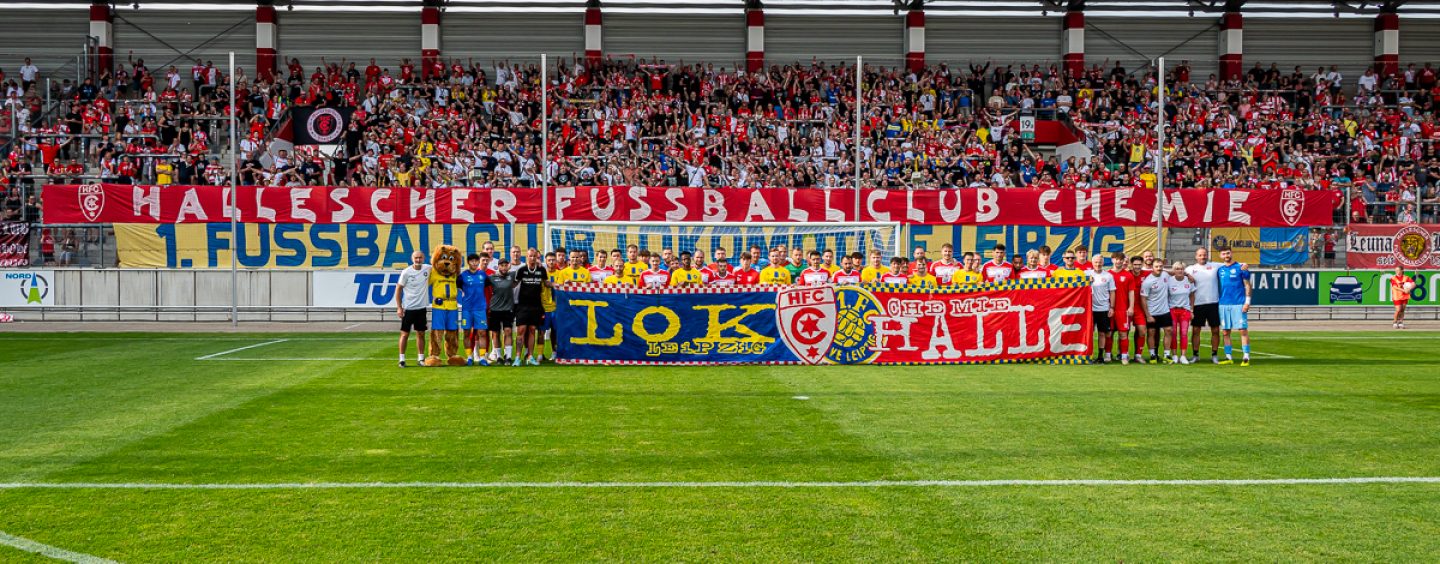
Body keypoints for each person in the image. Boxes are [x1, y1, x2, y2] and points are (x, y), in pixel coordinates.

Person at [513, 248, 550, 366]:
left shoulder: (541, 270)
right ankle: (517, 357)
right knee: (521, 330)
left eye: (535, 256)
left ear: (537, 257)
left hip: (536, 306)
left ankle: (530, 356)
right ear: (527, 257)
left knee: (532, 330)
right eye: (530, 256)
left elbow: (546, 283)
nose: (532, 258)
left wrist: (558, 285)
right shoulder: (522, 270)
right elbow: (514, 284)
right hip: (522, 305)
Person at [1216, 246, 1252, 366]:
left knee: (1242, 330)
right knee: (1225, 332)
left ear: (1231, 253)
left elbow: (1247, 285)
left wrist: (1247, 302)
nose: (1226, 255)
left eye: (1228, 253)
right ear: (1220, 256)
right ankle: (1228, 357)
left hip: (1238, 303)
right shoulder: (1219, 270)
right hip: (1223, 304)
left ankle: (1246, 357)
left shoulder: (1241, 268)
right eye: (1224, 254)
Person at [1186, 247, 1223, 364]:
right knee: (1196, 330)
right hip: (1198, 304)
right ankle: (1195, 355)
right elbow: (1176, 271)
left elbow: (1231, 264)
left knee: (1216, 330)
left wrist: (1243, 265)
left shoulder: (1215, 266)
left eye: (1205, 254)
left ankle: (1214, 355)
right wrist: (1187, 275)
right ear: (1196, 256)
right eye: (1200, 255)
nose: (1203, 257)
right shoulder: (1191, 269)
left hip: (1213, 303)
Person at [395, 250, 431, 368]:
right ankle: (401, 359)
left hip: (421, 308)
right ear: (412, 259)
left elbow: (441, 267)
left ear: (424, 258)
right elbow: (398, 289)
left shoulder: (428, 269)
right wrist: (399, 307)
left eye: (420, 257)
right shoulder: (406, 272)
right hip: (409, 308)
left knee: (421, 334)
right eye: (416, 258)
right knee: (405, 334)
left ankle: (421, 358)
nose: (418, 260)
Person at [458, 253, 492, 366]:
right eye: (471, 261)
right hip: (467, 309)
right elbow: (458, 286)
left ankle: (482, 357)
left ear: (478, 262)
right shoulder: (462, 275)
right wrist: (463, 293)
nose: (474, 263)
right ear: (468, 262)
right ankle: (469, 357)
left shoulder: (483, 275)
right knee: (467, 332)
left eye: (476, 261)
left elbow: (488, 287)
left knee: (482, 332)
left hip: (480, 308)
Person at [1140, 263, 1174, 364]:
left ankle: (1167, 354)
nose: (1159, 268)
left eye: (1160, 266)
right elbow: (1143, 299)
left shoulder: (1165, 275)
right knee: (1151, 333)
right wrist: (1148, 315)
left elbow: (1175, 273)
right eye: (1156, 266)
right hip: (1152, 312)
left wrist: (1187, 275)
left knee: (1168, 330)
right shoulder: (1147, 281)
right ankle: (1152, 355)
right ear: (1152, 268)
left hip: (1165, 310)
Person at [1108, 252, 1138, 365]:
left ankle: (1124, 357)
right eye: (1116, 259)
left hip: (1123, 309)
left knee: (1123, 334)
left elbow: (1131, 292)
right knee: (1109, 333)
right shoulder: (1107, 274)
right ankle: (1107, 355)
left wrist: (1131, 307)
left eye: (1121, 259)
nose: (1118, 261)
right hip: (1109, 309)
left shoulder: (1128, 275)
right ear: (1112, 260)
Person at [487, 258, 516, 363]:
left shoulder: (512, 275)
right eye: (501, 265)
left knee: (508, 331)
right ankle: (498, 357)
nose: (504, 267)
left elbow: (523, 273)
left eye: (505, 265)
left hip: (508, 309)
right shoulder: (492, 277)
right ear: (498, 267)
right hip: (495, 309)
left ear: (508, 266)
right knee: (495, 333)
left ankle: (508, 357)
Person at [1166, 262, 1196, 364]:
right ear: (1174, 270)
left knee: (1184, 333)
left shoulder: (1189, 280)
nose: (1179, 271)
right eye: (1177, 269)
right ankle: (1174, 355)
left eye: (1181, 269)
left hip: (1185, 310)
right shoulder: (1169, 281)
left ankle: (1183, 356)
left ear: (1184, 270)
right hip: (1172, 310)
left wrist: (1191, 310)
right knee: (1173, 333)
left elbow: (1192, 295)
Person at [1087, 254, 1115, 363]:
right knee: (1089, 333)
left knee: (1102, 333)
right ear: (1092, 263)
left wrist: (1111, 307)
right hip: (1090, 309)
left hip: (1103, 309)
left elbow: (1112, 291)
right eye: (1096, 262)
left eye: (1100, 262)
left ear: (1103, 263)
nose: (1098, 264)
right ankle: (1088, 355)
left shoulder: (1108, 276)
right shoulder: (1087, 274)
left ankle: (1100, 356)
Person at [1391, 265, 1414, 329]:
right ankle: (1395, 322)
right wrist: (1404, 290)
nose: (1397, 271)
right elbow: (1394, 287)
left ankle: (1401, 322)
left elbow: (1413, 284)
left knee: (1402, 310)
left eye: (1398, 270)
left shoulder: (1406, 277)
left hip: (1405, 296)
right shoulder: (1393, 278)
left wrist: (1409, 289)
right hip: (1397, 296)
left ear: (1402, 270)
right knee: (1398, 309)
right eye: (1396, 270)